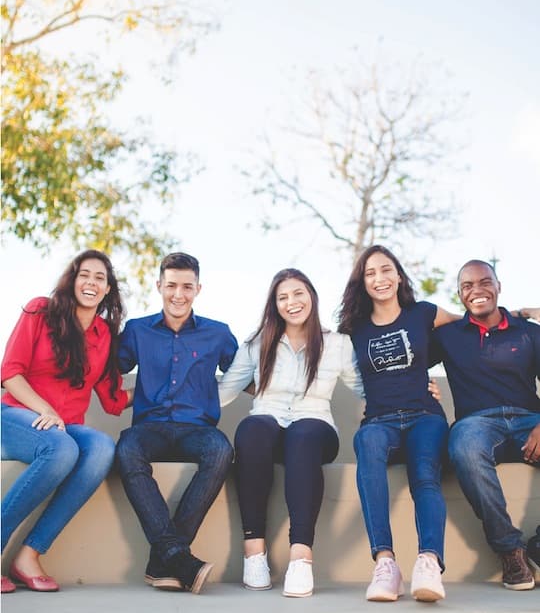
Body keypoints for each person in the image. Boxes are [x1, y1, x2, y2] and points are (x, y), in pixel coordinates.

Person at [218, 268, 364, 597]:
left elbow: (365, 388)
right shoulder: (257, 344)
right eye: (282, 297)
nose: (291, 302)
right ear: (275, 305)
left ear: (311, 295)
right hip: (267, 425)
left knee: (303, 434)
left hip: (315, 427)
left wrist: (413, 390)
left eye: (298, 293)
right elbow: (224, 391)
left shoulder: (337, 344)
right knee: (252, 429)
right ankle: (254, 552)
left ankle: (300, 557)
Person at [1, 250, 131, 594]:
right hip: (15, 415)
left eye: (100, 278)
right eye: (84, 274)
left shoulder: (104, 335)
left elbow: (113, 399)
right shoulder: (40, 311)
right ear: (73, 280)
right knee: (61, 449)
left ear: (108, 289)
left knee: (102, 448)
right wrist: (44, 410)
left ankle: (29, 555)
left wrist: (165, 388)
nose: (91, 282)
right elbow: (10, 373)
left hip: (64, 427)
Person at [337, 244, 459, 603]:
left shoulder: (423, 313)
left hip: (425, 416)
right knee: (367, 442)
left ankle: (429, 562)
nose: (380, 278)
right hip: (380, 420)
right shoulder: (353, 329)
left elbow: (470, 325)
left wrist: (520, 314)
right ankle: (386, 563)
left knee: (424, 473)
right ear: (362, 283)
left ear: (399, 276)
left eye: (386, 269)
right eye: (370, 273)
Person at [115, 252, 238, 595]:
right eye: (171, 286)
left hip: (198, 430)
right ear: (159, 286)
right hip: (149, 428)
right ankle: (178, 558)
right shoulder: (137, 330)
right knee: (126, 449)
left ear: (198, 289)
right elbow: (107, 368)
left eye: (187, 286)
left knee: (221, 451)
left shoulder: (218, 333)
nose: (178, 294)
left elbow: (247, 373)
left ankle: (166, 559)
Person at [430, 259, 540, 591]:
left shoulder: (529, 331)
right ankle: (510, 550)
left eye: (484, 282)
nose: (476, 290)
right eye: (467, 286)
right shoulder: (447, 336)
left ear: (498, 287)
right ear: (459, 295)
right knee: (463, 447)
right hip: (476, 424)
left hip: (530, 420)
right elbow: (404, 353)